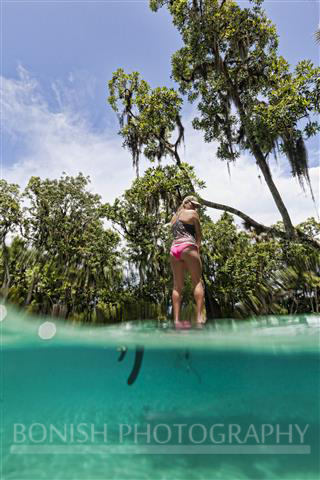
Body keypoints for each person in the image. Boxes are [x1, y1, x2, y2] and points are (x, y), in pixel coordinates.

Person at [169, 195, 205, 328]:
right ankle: (199, 318)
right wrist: (198, 250)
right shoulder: (193, 214)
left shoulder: (174, 217)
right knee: (197, 281)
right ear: (186, 202)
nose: (195, 207)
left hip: (174, 250)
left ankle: (177, 320)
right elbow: (199, 234)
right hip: (188, 247)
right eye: (193, 204)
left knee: (177, 286)